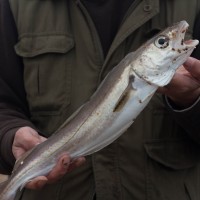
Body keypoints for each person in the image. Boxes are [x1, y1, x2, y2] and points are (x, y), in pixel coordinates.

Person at [0, 0, 200, 199]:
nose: (172, 41)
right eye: (163, 43)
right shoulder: (15, 5)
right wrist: (9, 135)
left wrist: (192, 101)